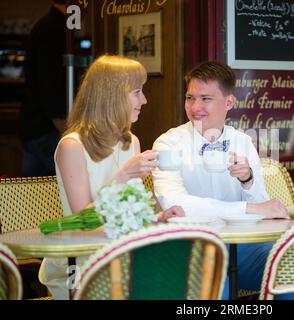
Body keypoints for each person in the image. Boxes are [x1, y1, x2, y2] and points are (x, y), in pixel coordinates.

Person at [152, 61, 294, 299]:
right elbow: (176, 205)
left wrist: (248, 180)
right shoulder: (168, 144)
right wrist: (248, 208)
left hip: (242, 246)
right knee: (214, 278)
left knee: (291, 268)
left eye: (205, 99)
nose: (195, 107)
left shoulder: (242, 141)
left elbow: (262, 206)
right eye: (190, 97)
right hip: (191, 246)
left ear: (229, 102)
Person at [38, 55, 185, 300]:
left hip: (123, 251)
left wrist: (158, 217)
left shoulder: (130, 141)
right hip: (82, 258)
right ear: (112, 95)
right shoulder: (72, 146)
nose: (144, 100)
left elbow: (129, 211)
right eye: (137, 92)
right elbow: (83, 220)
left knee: (187, 273)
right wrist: (124, 174)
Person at [19, 0, 68, 177]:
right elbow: (50, 83)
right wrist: (65, 129)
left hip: (35, 124)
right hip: (47, 128)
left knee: (29, 194)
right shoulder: (54, 29)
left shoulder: (47, 25)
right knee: (63, 184)